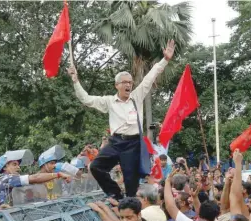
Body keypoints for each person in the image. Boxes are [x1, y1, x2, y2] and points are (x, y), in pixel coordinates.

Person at [67, 40, 175, 200]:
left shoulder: (136, 97)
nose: (129, 85)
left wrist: (165, 60)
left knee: (131, 184)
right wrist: (76, 81)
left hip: (133, 144)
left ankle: (130, 205)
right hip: (115, 142)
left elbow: (151, 76)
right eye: (125, 82)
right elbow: (86, 99)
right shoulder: (109, 101)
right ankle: (115, 195)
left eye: (130, 82)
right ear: (117, 85)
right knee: (96, 167)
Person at [0, 150, 68, 208]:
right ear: (5, 167)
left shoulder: (10, 180)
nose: (18, 167)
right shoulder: (6, 179)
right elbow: (35, 178)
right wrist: (58, 174)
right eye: (14, 164)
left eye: (18, 165)